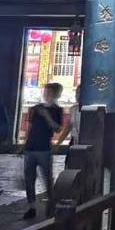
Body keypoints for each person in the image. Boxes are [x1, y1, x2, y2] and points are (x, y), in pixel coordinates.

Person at [23, 82, 71, 219]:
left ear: (56, 95)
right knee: (29, 178)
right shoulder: (36, 108)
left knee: (47, 178)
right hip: (31, 147)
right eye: (45, 92)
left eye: (49, 92)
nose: (47, 95)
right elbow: (29, 127)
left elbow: (57, 128)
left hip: (44, 148)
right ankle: (31, 206)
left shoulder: (57, 110)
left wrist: (47, 116)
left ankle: (51, 204)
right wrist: (24, 144)